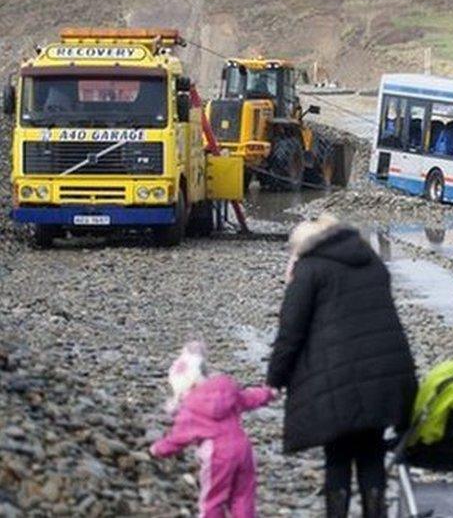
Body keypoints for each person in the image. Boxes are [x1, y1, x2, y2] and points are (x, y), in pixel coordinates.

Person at [267, 214, 417, 518]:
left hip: (336, 378)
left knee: (337, 456)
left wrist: (275, 378)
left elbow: (290, 331)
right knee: (371, 454)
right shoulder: (371, 260)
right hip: (382, 375)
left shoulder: (310, 269)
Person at [150, 342, 276, 518]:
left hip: (217, 454)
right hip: (243, 449)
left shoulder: (190, 407)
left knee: (213, 498)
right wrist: (267, 393)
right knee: (243, 496)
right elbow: (248, 398)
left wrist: (158, 449)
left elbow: (179, 438)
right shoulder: (226, 389)